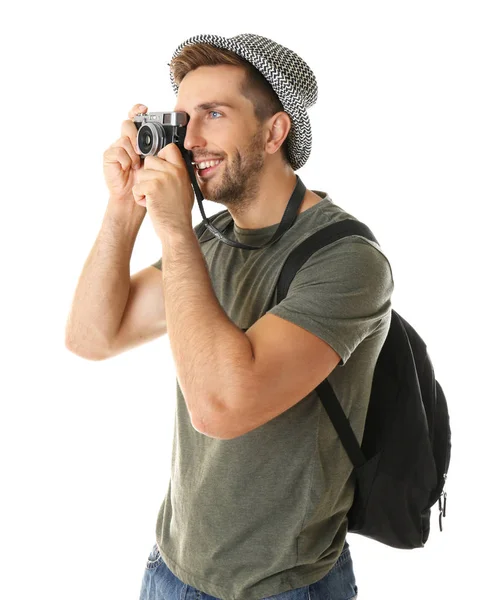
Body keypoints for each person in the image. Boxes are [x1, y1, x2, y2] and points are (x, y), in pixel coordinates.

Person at [65, 33, 394, 600]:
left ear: (274, 131)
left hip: (284, 587)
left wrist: (171, 229)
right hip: (171, 569)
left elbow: (221, 407)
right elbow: (92, 337)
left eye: (213, 114)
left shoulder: (346, 259)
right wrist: (123, 209)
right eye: (182, 118)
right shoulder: (211, 240)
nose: (188, 139)